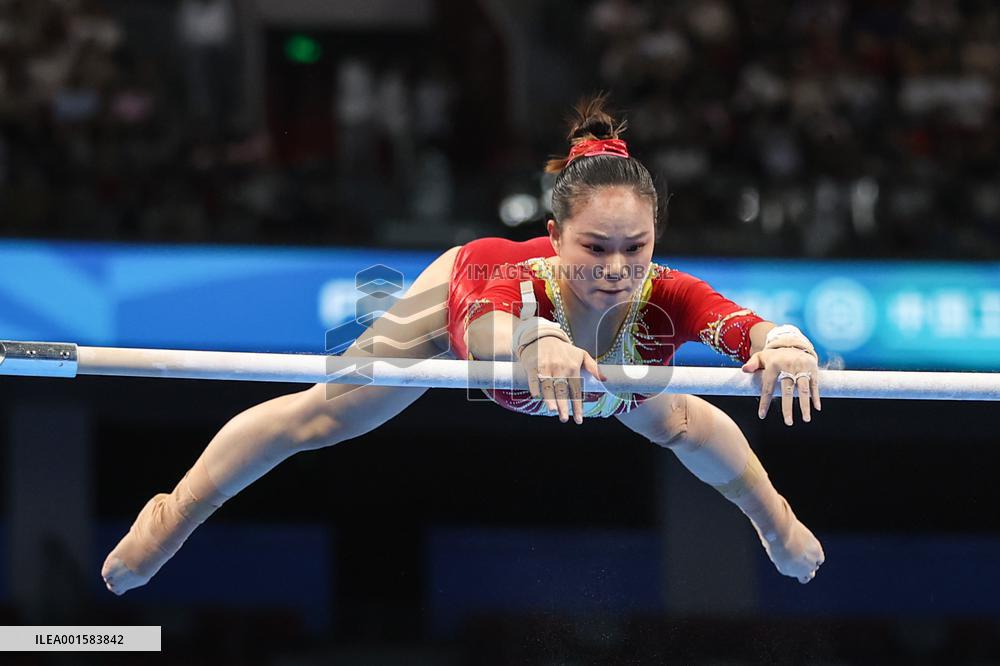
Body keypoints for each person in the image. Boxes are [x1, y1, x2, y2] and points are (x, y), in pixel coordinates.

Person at [101, 97, 824, 595]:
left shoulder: (662, 294)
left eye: (635, 247)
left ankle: (778, 522)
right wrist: (533, 339)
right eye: (593, 247)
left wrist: (782, 343)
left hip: (572, 362)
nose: (614, 268)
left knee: (677, 419)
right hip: (461, 311)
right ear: (554, 233)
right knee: (323, 417)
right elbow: (476, 327)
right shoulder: (506, 270)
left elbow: (741, 324)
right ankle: (172, 513)